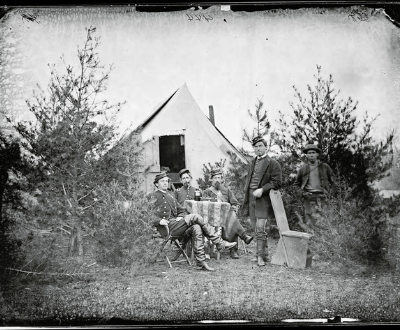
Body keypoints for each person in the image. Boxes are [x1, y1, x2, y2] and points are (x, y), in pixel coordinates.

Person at [150, 172, 237, 271]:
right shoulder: (152, 196)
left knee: (197, 227)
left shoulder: (170, 195)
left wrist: (180, 216)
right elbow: (146, 215)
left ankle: (201, 262)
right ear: (156, 184)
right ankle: (219, 242)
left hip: (176, 225)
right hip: (166, 228)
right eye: (162, 181)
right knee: (195, 216)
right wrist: (159, 221)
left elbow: (181, 210)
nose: (165, 183)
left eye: (166, 181)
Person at [241, 136, 282, 266]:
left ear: (266, 147)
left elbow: (277, 182)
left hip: (263, 200)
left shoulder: (273, 163)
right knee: (255, 227)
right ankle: (264, 255)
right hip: (251, 198)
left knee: (260, 227)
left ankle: (260, 257)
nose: (258, 148)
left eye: (260, 146)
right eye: (256, 146)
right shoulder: (252, 162)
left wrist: (262, 189)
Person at [203, 168, 254, 259]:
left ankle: (233, 250)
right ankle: (243, 236)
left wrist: (234, 208)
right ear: (211, 179)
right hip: (212, 218)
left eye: (219, 177)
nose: (217, 180)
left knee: (231, 216)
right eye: (215, 178)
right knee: (231, 218)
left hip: (226, 218)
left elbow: (235, 203)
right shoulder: (207, 192)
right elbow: (204, 206)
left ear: (222, 179)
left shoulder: (226, 191)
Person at [294, 142, 335, 232]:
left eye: (313, 152)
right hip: (309, 197)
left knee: (325, 219)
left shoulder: (325, 167)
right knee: (309, 220)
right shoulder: (302, 169)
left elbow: (334, 182)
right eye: (309, 153)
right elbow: (296, 184)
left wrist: (330, 195)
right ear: (306, 155)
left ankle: (324, 242)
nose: (311, 155)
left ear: (317, 154)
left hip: (323, 197)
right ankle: (311, 243)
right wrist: (303, 194)